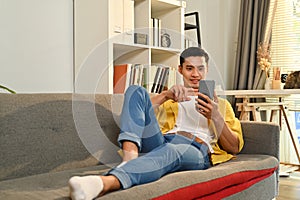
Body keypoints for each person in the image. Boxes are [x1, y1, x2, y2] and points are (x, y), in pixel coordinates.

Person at [68, 47, 244, 200]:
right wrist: (165, 96)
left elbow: (234, 147)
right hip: (162, 141)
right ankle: (130, 158)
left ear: (207, 70)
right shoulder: (170, 100)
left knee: (174, 149)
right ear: (180, 70)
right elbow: (137, 115)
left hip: (197, 150)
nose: (195, 74)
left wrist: (216, 116)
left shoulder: (221, 105)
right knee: (135, 90)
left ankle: (105, 183)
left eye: (200, 69)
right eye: (189, 68)